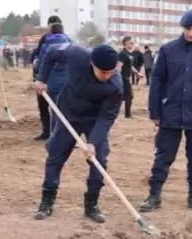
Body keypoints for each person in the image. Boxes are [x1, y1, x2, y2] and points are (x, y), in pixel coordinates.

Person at [140, 9, 192, 212]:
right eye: (188, 29)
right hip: (172, 113)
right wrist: (155, 112)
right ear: (182, 28)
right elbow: (157, 82)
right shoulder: (168, 51)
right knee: (163, 156)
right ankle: (154, 195)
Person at [32, 44, 123, 223]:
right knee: (55, 155)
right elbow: (50, 52)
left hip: (94, 120)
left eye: (110, 72)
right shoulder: (76, 54)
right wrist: (42, 79)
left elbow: (107, 117)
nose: (106, 76)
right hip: (68, 113)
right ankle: (46, 202)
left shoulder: (116, 86)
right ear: (91, 63)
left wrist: (93, 142)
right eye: (102, 72)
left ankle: (91, 204)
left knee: (100, 160)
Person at [33, 15, 63, 141]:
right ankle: (58, 134)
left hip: (45, 79)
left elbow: (39, 59)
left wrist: (36, 77)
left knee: (44, 106)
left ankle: (47, 132)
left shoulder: (46, 40)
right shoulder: (69, 40)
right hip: (63, 81)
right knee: (60, 108)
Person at [36, 23, 70, 132]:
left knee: (55, 109)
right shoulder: (70, 43)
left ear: (50, 32)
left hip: (52, 81)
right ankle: (66, 136)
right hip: (68, 81)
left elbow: (42, 64)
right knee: (66, 109)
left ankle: (55, 135)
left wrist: (40, 79)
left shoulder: (46, 45)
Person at [116, 36, 143, 119]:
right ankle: (127, 115)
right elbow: (118, 67)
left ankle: (115, 112)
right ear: (126, 43)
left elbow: (130, 66)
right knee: (129, 96)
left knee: (121, 97)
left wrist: (137, 73)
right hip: (123, 78)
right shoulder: (122, 54)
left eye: (133, 43)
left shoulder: (129, 54)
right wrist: (118, 79)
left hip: (127, 77)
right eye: (131, 43)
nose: (133, 44)